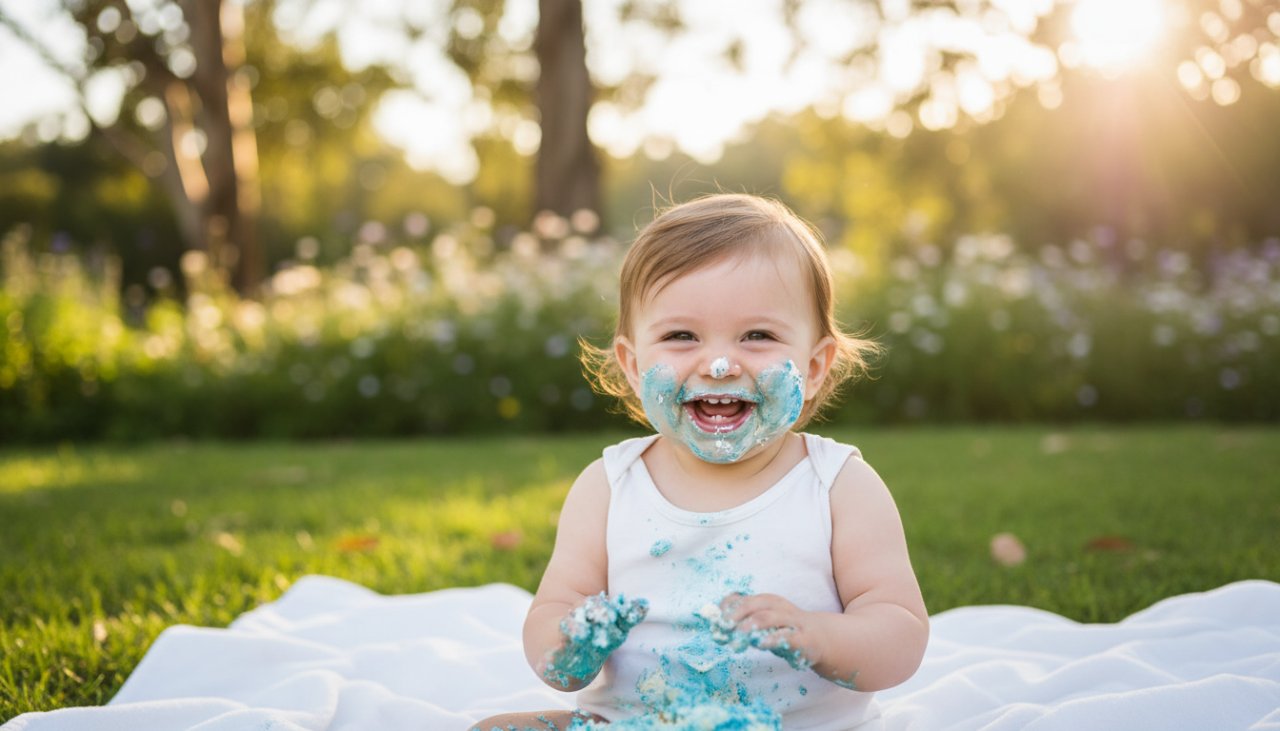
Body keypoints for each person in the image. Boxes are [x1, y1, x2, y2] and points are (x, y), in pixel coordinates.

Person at [473, 194, 928, 730]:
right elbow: (551, 614)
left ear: (813, 366)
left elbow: (900, 631)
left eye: (757, 336)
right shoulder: (610, 487)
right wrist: (570, 647)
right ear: (634, 364)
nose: (718, 364)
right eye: (680, 336)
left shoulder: (837, 486)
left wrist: (818, 636)